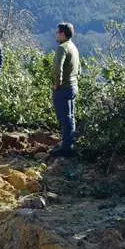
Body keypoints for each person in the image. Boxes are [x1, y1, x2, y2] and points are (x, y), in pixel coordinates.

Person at [50, 22, 80, 157]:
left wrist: (57, 84)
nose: (56, 35)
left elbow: (57, 69)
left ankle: (66, 148)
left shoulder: (62, 48)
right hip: (73, 86)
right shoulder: (73, 47)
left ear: (62, 34)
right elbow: (78, 68)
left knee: (64, 117)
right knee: (70, 116)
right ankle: (70, 143)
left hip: (64, 88)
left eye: (57, 32)